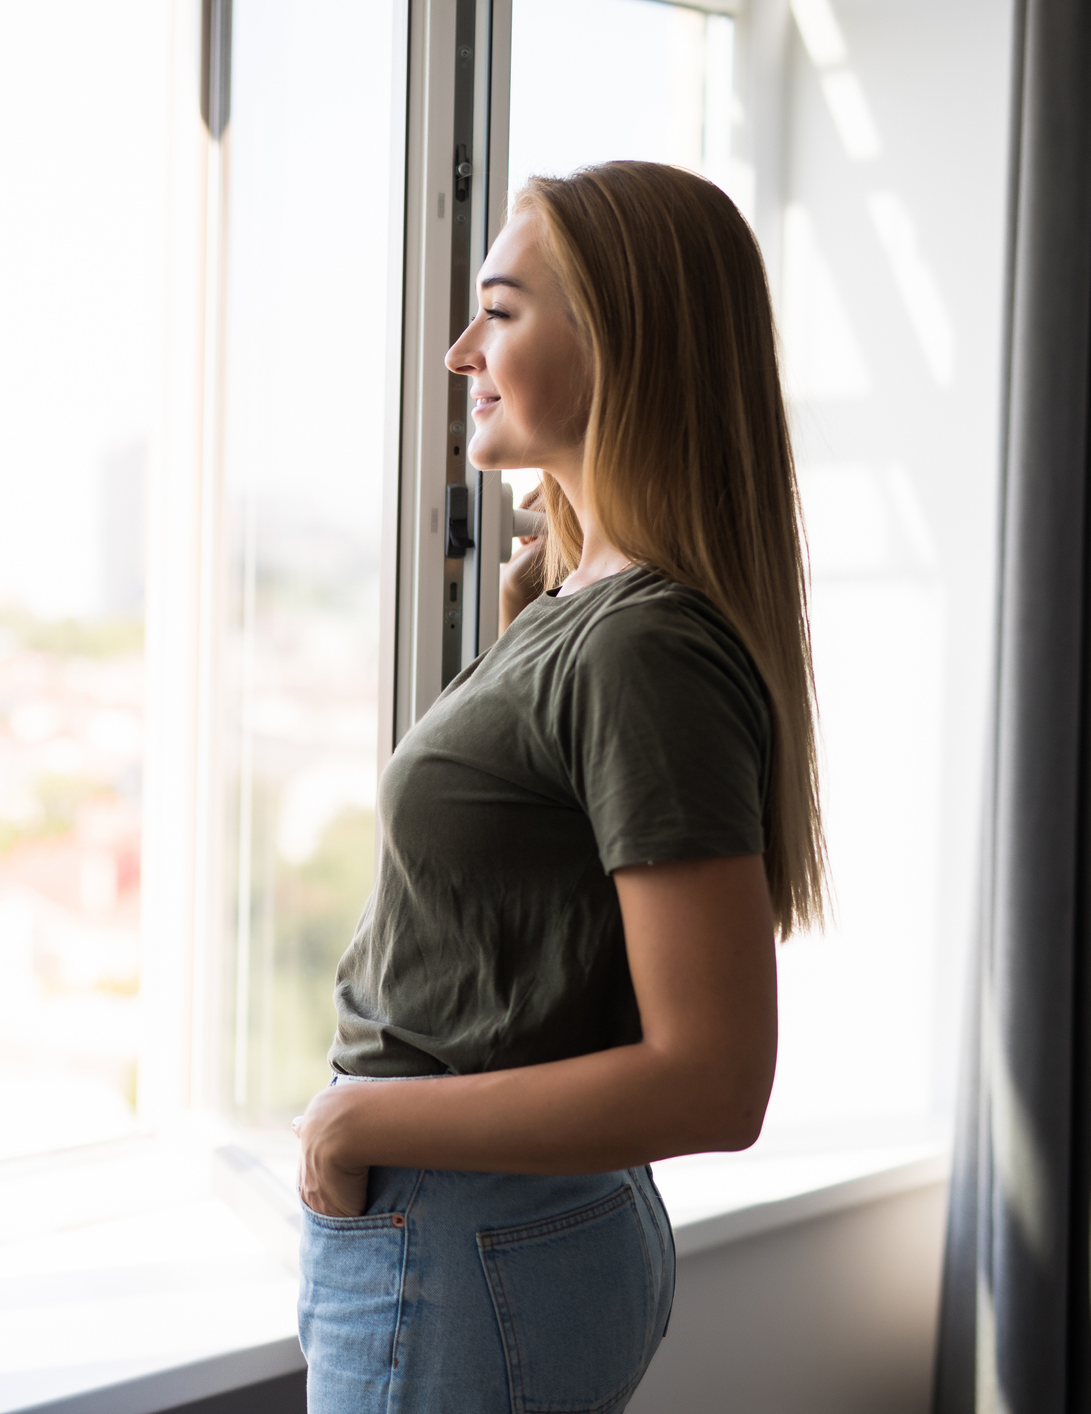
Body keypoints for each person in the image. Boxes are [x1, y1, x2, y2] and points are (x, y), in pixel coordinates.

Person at [292, 160, 825, 1413]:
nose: (459, 352)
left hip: (462, 1234)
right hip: (492, 1231)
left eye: (500, 311)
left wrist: (351, 1126)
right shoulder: (597, 610)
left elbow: (715, 1078)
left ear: (619, 342)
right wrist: (533, 604)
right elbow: (533, 896)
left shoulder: (643, 645)